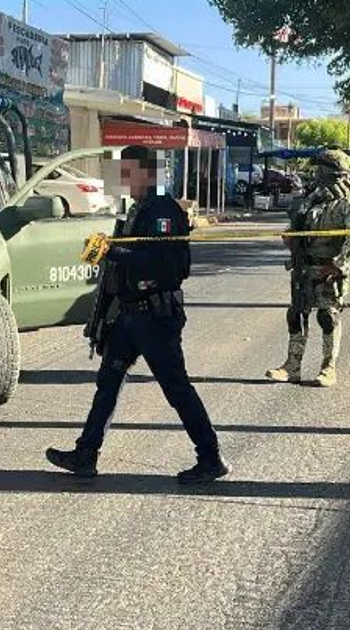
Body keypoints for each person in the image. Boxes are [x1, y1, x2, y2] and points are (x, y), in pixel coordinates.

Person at [45, 145, 228, 485]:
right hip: (128, 316)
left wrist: (115, 251)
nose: (122, 180)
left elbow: (163, 262)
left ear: (146, 172)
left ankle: (210, 457)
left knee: (176, 388)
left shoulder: (163, 209)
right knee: (108, 383)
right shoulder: (140, 208)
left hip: (155, 316)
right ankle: (86, 453)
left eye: (127, 172)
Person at [266, 149, 350, 388]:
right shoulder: (313, 196)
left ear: (334, 171)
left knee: (328, 317)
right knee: (296, 315)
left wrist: (339, 264)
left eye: (321, 168)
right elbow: (298, 224)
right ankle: (292, 366)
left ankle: (328, 368)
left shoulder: (349, 201)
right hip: (303, 267)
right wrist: (290, 237)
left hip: (328, 270)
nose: (317, 173)